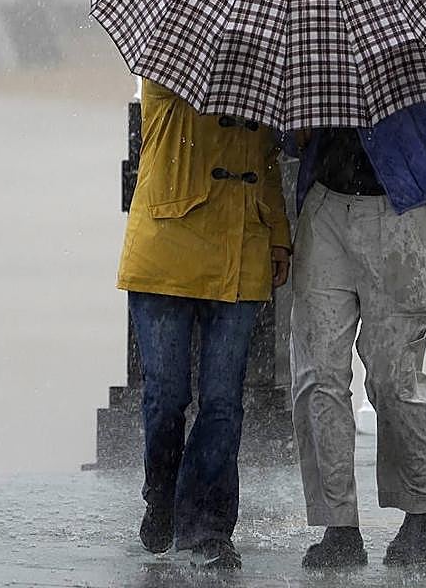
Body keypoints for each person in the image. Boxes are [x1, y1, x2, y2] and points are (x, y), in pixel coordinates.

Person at [287, 100, 426, 568]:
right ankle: (339, 526)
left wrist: (419, 194)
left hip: (396, 211)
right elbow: (287, 138)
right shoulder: (313, 72)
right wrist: (296, 134)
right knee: (317, 375)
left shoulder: (408, 71)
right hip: (324, 206)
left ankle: (421, 509)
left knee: (392, 379)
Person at [118, 78, 292, 570]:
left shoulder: (266, 74)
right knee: (166, 396)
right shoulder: (175, 64)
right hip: (166, 248)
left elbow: (266, 163)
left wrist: (278, 234)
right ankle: (162, 495)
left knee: (222, 402)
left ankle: (208, 528)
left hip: (241, 247)